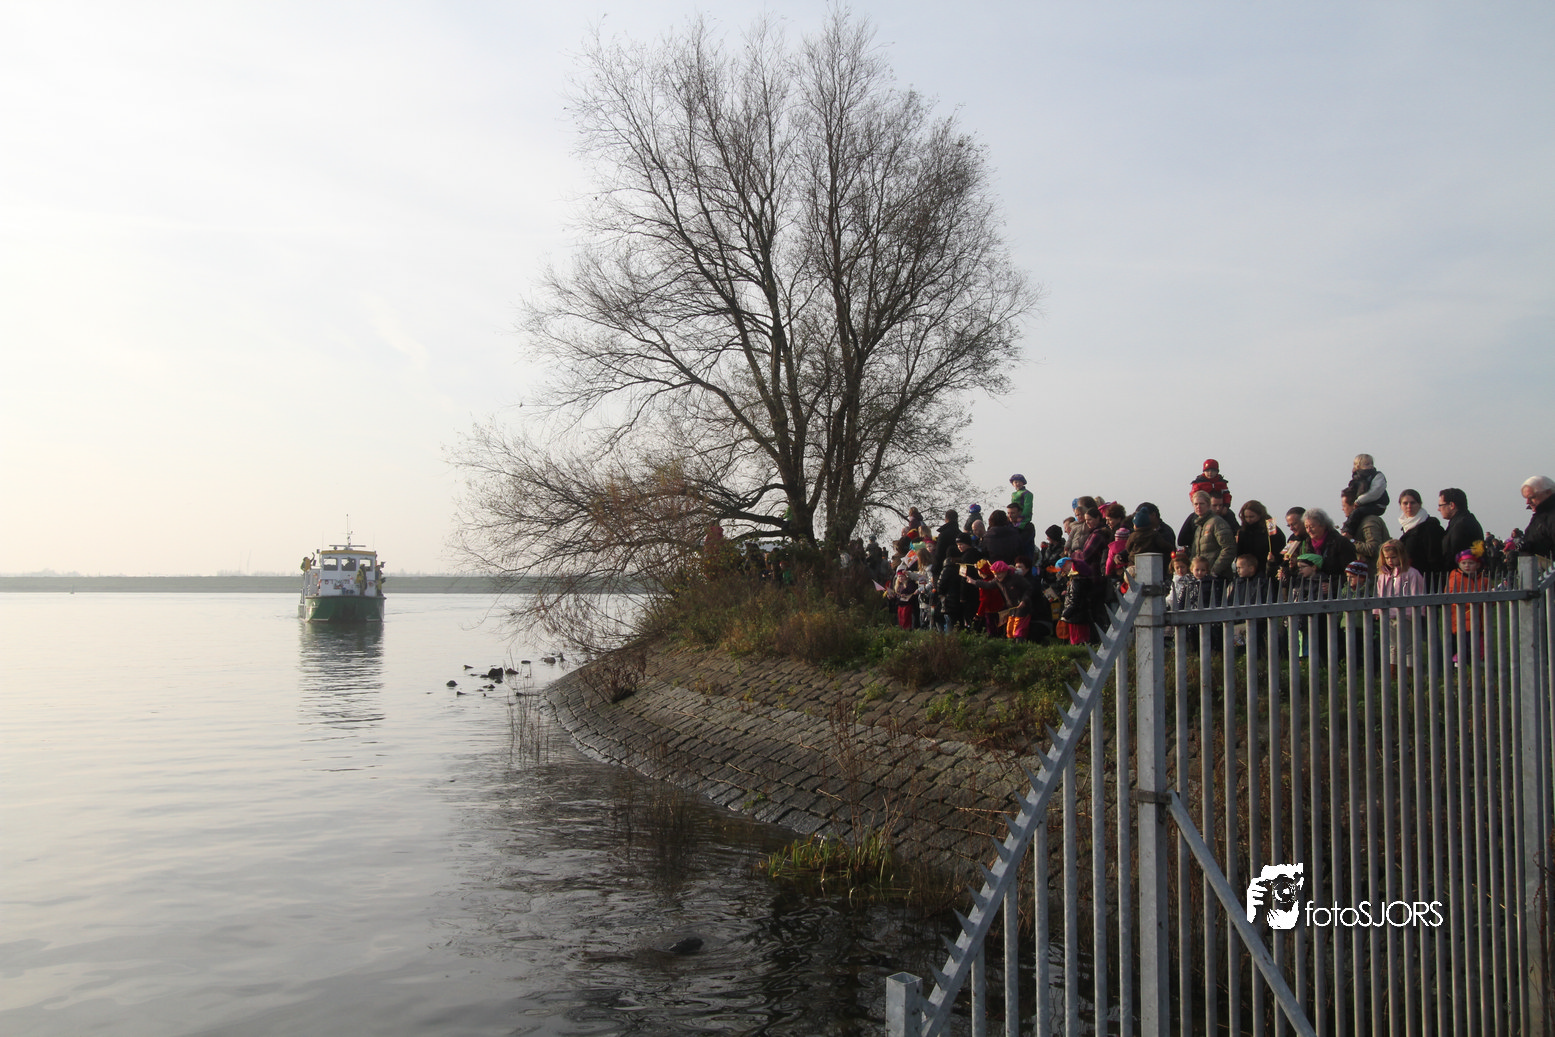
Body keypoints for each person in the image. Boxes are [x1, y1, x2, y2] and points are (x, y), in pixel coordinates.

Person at [1374, 539, 1424, 671]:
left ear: (1401, 556)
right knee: (1392, 646)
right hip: (1388, 614)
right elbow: (1380, 593)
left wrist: (1417, 613)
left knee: (1407, 645)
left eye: (1393, 557)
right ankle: (1393, 673)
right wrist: (1377, 611)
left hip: (1406, 615)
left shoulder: (1411, 574)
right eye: (1387, 558)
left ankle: (1409, 672)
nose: (1390, 560)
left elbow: (1418, 593)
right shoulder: (1383, 575)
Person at [1396, 489, 1446, 580]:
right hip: (1410, 578)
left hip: (1427, 578)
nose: (1409, 506)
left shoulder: (1430, 527)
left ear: (1419, 504)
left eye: (1412, 503)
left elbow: (1435, 558)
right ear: (1400, 505)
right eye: (1405, 503)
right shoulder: (1405, 526)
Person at [1189, 490, 1236, 579]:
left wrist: (1214, 570)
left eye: (1202, 503)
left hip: (1218, 577)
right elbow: (1195, 553)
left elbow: (1229, 548)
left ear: (1208, 505)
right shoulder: (1199, 526)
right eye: (1196, 504)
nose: (1198, 506)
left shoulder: (1217, 522)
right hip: (1202, 577)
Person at [1437, 488, 1484, 574]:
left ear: (1452, 505)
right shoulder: (1465, 521)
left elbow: (1454, 555)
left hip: (1460, 577)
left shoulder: (1461, 525)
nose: (1438, 509)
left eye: (1440, 505)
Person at [1340, 487, 1389, 570]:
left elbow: (1374, 549)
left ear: (1354, 505)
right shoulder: (1357, 522)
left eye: (1344, 506)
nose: (1342, 509)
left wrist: (1350, 541)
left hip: (1372, 573)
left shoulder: (1370, 521)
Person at [1341, 454, 1389, 535]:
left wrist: (1359, 501)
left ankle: (1347, 532)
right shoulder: (1357, 478)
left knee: (1357, 513)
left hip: (1377, 505)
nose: (1371, 466)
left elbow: (1375, 492)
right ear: (1358, 466)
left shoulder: (1377, 476)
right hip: (1364, 504)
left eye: (1371, 463)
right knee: (1354, 515)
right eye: (1367, 464)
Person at [1236, 500, 1284, 577]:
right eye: (1246, 517)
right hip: (1247, 572)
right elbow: (1239, 552)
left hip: (1267, 571)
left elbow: (1279, 549)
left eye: (1252, 517)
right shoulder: (1243, 531)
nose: (1249, 520)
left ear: (1260, 515)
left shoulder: (1271, 529)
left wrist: (1274, 560)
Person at [1519, 475, 1555, 562]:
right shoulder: (1540, 516)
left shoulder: (1550, 517)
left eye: (1532, 497)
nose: (1527, 502)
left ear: (1548, 492)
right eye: (1526, 498)